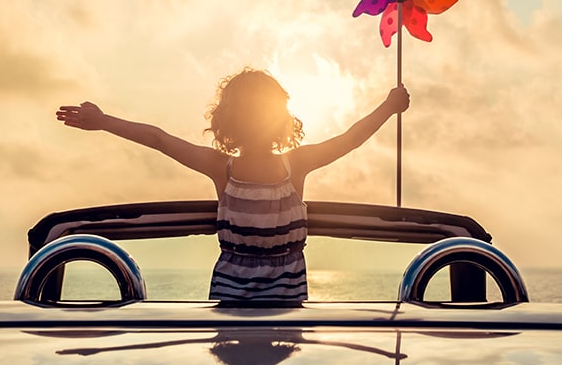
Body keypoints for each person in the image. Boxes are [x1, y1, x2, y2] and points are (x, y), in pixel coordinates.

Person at [56, 68, 410, 304]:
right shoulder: (295, 165)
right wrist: (388, 107)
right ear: (280, 119)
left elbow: (159, 139)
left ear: (228, 120)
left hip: (233, 307)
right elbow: (351, 139)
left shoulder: (221, 168)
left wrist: (104, 122)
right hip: (281, 308)